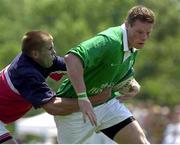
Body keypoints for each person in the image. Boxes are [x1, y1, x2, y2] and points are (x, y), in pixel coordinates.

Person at [54, 5, 155, 144]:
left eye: (148, 33)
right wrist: (82, 97)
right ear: (127, 25)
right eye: (139, 32)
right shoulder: (110, 41)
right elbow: (72, 58)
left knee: (140, 142)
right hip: (74, 111)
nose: (144, 37)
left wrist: (132, 84)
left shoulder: (133, 46)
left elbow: (116, 74)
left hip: (107, 105)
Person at [0, 30, 112, 144]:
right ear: (35, 54)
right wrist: (95, 99)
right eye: (50, 49)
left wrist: (121, 78)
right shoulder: (27, 74)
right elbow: (53, 107)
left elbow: (77, 67)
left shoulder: (41, 59)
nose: (54, 52)